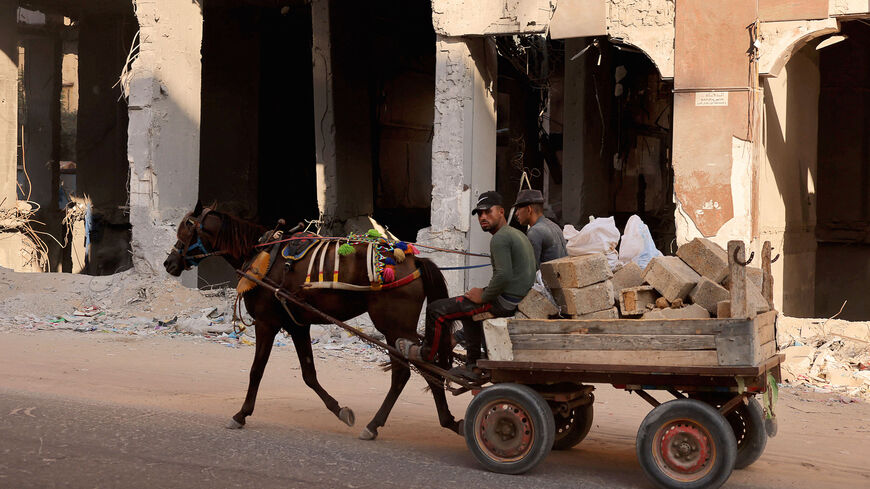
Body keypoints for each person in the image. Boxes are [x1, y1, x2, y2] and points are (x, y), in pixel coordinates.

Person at [395, 191, 536, 378]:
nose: (483, 217)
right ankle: (473, 364)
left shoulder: (500, 238)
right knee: (468, 310)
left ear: (501, 212)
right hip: (515, 298)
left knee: (436, 310)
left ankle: (425, 354)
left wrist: (484, 296)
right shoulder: (516, 234)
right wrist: (482, 292)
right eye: (480, 214)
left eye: (488, 212)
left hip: (505, 302)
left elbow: (503, 275)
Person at [513, 188, 567, 268]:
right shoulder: (554, 225)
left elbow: (530, 270)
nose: (516, 213)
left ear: (529, 209)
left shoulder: (535, 232)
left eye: (518, 209)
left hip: (550, 279)